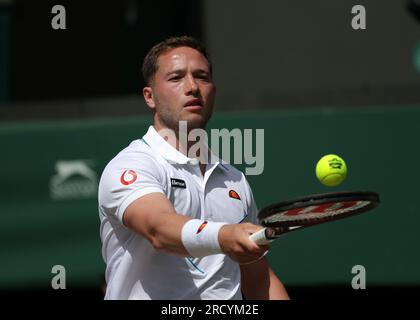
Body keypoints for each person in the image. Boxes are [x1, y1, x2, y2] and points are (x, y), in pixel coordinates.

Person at [98, 36, 290, 300]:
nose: (192, 87)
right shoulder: (132, 165)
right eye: (176, 78)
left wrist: (233, 239)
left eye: (202, 77)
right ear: (149, 96)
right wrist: (226, 234)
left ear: (213, 91)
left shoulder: (235, 181)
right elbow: (160, 229)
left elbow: (258, 280)